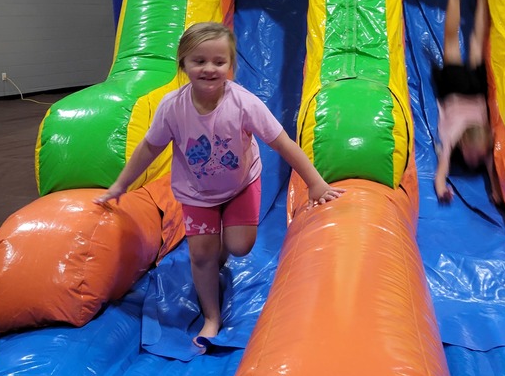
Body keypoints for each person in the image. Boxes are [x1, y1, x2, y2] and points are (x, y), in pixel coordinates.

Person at [95, 22, 343, 349]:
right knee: (200, 255)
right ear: (183, 64)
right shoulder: (172, 107)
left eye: (218, 61)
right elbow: (149, 148)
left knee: (238, 247)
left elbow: (283, 143)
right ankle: (211, 316)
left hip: (241, 185)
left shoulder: (244, 103)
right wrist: (121, 184)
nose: (209, 68)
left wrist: (315, 183)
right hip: (196, 193)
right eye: (199, 61)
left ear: (231, 65)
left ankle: (220, 250)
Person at [433, 0, 502, 205]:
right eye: (477, 155)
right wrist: (496, 192)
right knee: (467, 42)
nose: (475, 160)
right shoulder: (471, 142)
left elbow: (441, 173)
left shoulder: (468, 142)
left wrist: (442, 190)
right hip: (465, 90)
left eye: (475, 155)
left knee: (464, 42)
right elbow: (491, 174)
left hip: (467, 90)